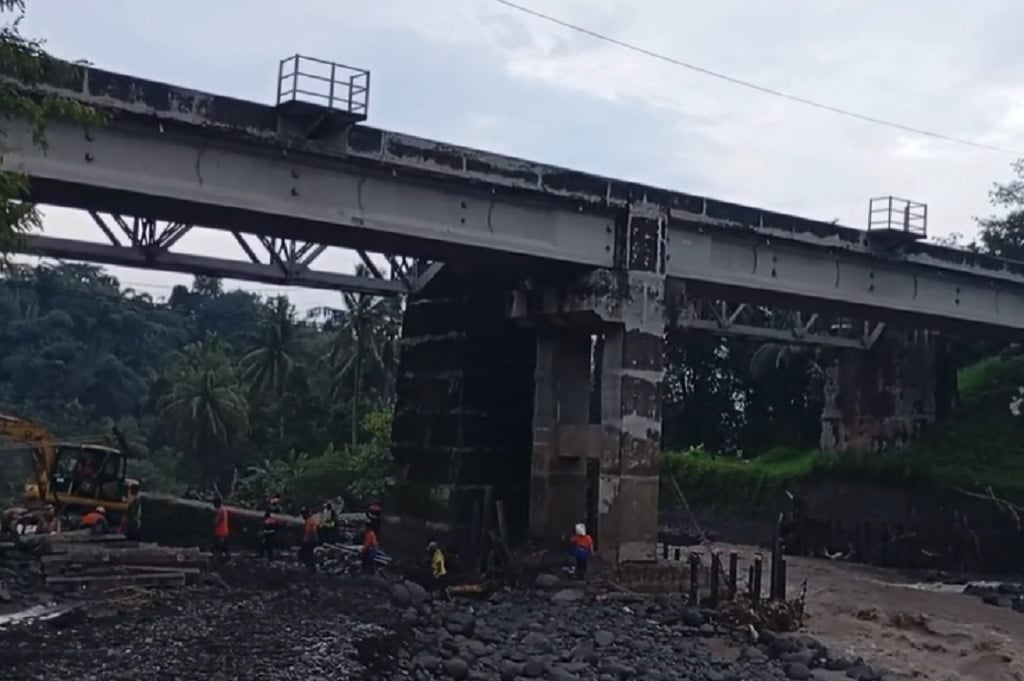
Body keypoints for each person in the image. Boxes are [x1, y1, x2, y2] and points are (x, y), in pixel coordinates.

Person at [299, 507, 318, 572]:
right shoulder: (309, 520)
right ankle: (310, 567)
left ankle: (310, 567)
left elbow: (310, 532)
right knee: (308, 554)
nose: (303, 516)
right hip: (311, 540)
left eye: (304, 514)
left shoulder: (309, 521)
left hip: (310, 541)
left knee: (307, 554)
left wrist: (305, 540)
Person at [212, 497, 230, 563]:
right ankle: (226, 560)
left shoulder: (219, 511)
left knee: (217, 548)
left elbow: (216, 521)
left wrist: (213, 524)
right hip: (225, 531)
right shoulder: (224, 509)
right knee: (224, 548)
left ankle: (217, 561)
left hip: (219, 533)